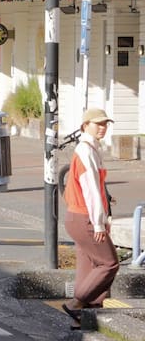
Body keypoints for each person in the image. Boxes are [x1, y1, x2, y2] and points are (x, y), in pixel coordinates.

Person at [61, 107, 120, 328]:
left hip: (77, 217)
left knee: (90, 265)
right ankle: (77, 303)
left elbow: (94, 187)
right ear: (85, 126)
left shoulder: (90, 149)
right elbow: (91, 190)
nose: (103, 128)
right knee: (109, 263)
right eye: (98, 124)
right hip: (85, 217)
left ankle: (83, 319)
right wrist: (98, 222)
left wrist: (106, 203)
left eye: (105, 124)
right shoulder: (86, 151)